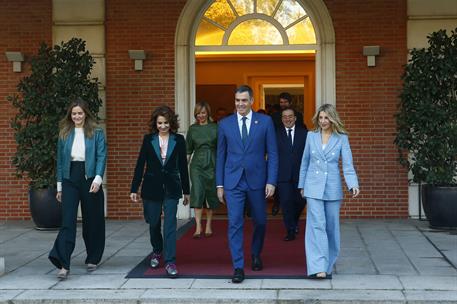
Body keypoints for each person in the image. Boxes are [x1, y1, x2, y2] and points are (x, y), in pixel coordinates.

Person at [216, 85, 278, 283]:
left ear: (252, 101)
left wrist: (271, 180)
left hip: (258, 180)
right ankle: (238, 267)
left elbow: (273, 153)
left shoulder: (265, 122)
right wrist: (219, 185)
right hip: (233, 181)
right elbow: (220, 156)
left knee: (260, 220)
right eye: (237, 101)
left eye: (244, 100)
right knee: (235, 223)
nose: (240, 104)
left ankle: (256, 253)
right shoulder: (225, 124)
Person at [298, 103, 360, 280]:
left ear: (332, 118)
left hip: (333, 188)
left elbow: (347, 165)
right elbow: (305, 162)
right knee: (316, 226)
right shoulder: (311, 136)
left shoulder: (341, 138)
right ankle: (317, 267)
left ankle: (328, 264)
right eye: (320, 117)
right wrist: (302, 185)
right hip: (313, 187)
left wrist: (352, 184)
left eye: (326, 117)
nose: (323, 121)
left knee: (331, 228)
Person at [49, 99, 107, 280]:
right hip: (69, 178)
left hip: (90, 177)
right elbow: (60, 160)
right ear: (70, 115)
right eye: (74, 113)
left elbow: (101, 155)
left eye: (80, 113)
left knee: (93, 219)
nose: (77, 116)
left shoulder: (96, 132)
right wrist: (59, 186)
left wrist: (98, 178)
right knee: (68, 221)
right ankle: (63, 264)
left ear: (86, 114)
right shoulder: (65, 133)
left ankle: (93, 257)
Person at [130, 105, 190, 278]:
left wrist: (186, 191)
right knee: (154, 222)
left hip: (171, 188)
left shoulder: (179, 140)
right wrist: (134, 188)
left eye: (166, 123)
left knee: (170, 224)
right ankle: (157, 250)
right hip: (151, 187)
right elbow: (140, 164)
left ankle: (170, 261)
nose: (163, 126)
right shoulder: (148, 139)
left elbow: (183, 168)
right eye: (160, 123)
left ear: (171, 123)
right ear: (155, 124)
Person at [186, 101, 219, 238]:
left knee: (211, 194)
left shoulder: (216, 127)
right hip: (197, 165)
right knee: (198, 193)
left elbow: (221, 148)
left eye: (203, 113)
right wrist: (182, 168)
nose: (201, 115)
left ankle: (209, 225)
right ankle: (198, 226)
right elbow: (188, 150)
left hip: (212, 163)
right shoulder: (192, 129)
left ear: (208, 113)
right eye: (198, 113)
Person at [270, 92, 305, 216]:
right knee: (284, 198)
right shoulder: (274, 116)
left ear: (290, 103)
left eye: (285, 102)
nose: (283, 104)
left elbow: (301, 132)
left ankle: (293, 220)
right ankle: (277, 203)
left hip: (296, 158)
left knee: (300, 200)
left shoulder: (298, 116)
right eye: (281, 102)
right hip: (281, 154)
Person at [276, 107, 307, 241]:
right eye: (285, 117)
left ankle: (293, 222)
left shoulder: (305, 133)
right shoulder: (275, 134)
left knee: (300, 202)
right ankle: (290, 230)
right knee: (286, 203)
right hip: (282, 175)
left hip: (300, 174)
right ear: (282, 119)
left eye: (290, 116)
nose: (287, 119)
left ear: (295, 118)